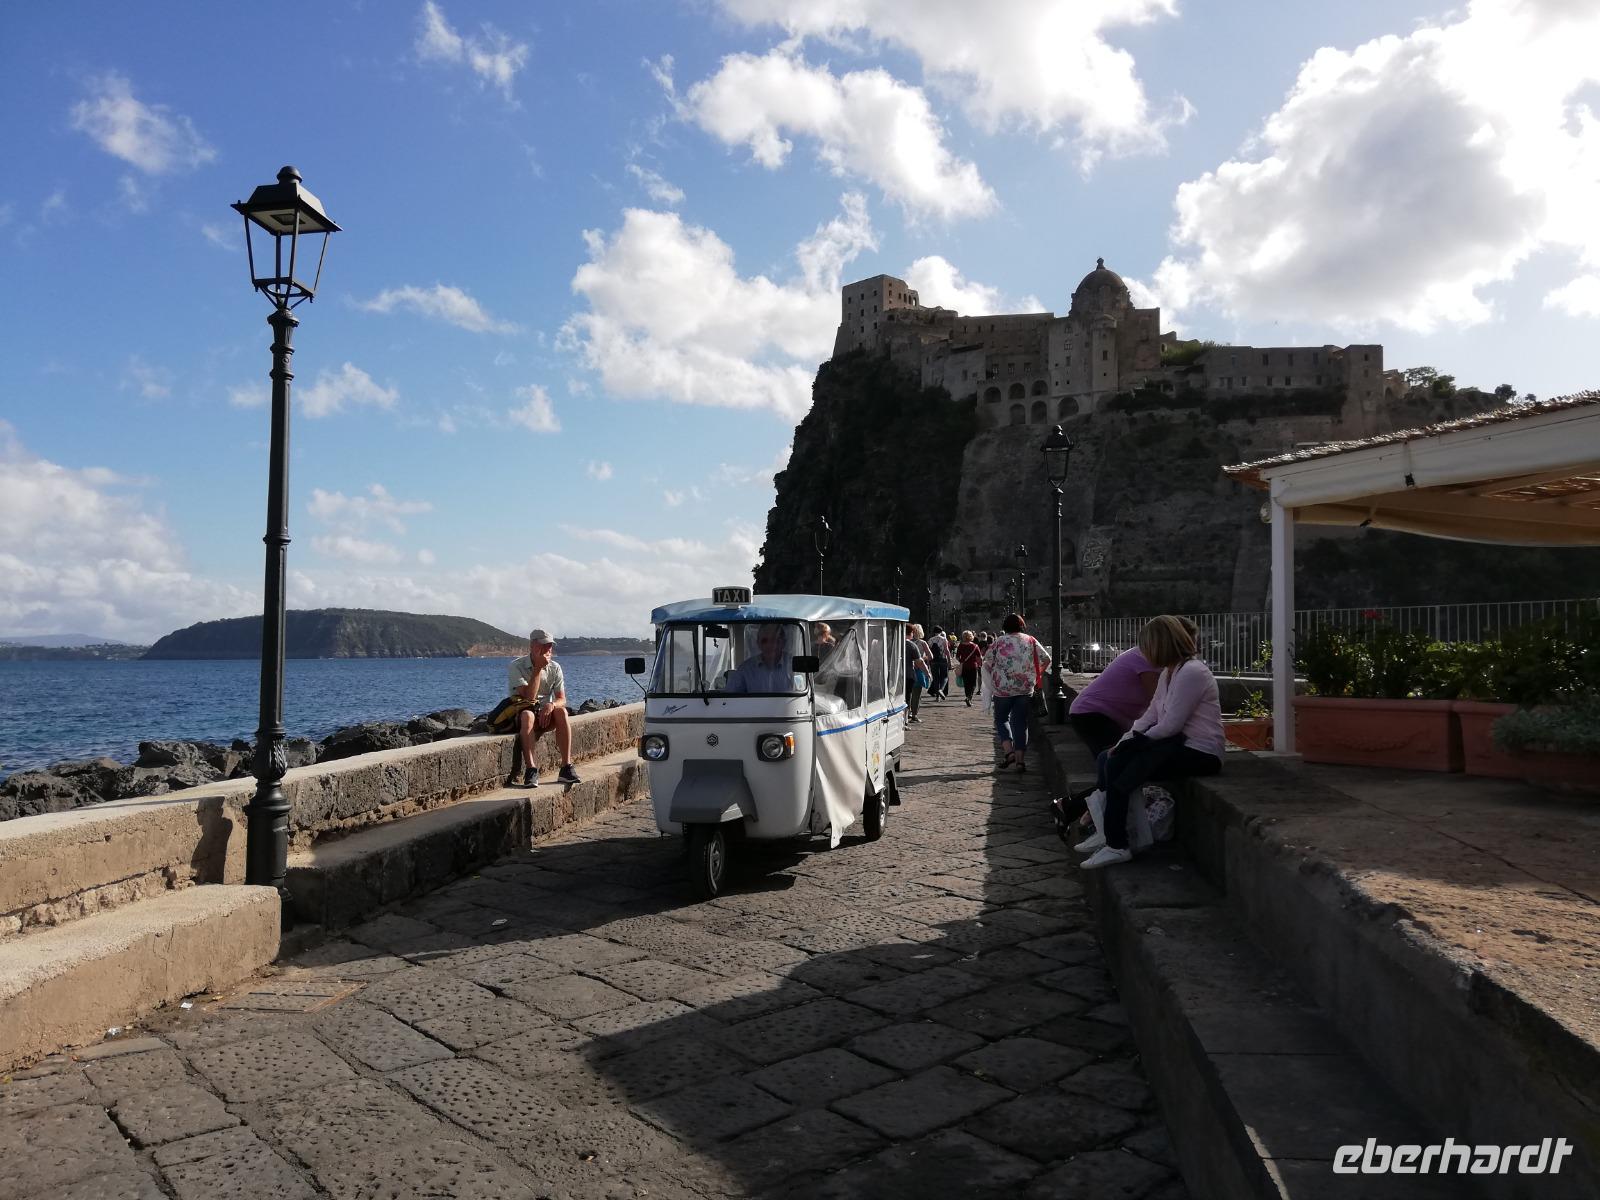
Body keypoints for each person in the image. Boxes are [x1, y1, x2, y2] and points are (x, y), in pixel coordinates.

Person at [1078, 615, 1224, 870]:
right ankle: (1107, 831)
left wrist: (1129, 745)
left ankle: (1117, 844)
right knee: (1107, 757)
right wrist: (1124, 740)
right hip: (1178, 744)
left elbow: (1171, 725)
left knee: (1119, 766)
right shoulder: (1171, 673)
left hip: (1200, 752)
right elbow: (1151, 715)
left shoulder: (1191, 672)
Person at [507, 629, 579, 788]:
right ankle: (531, 770)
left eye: (550, 645)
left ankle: (566, 767)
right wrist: (538, 669)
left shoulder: (555, 667)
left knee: (562, 711)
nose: (548, 649)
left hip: (545, 714)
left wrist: (551, 705)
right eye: (544, 645)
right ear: (533, 646)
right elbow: (529, 698)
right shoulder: (516, 666)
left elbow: (562, 699)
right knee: (528, 715)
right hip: (523, 711)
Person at [983, 613, 1051, 771]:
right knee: (1020, 723)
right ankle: (1020, 761)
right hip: (1025, 687)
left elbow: (987, 660)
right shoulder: (1030, 640)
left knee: (1001, 719)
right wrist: (1036, 674)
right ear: (1022, 625)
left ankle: (1009, 753)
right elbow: (1047, 659)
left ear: (1005, 626)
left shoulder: (999, 641)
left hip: (1003, 689)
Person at [726, 624, 802, 693]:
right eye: (764, 641)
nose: (770, 645)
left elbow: (802, 697)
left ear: (783, 642)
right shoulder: (746, 669)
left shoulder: (795, 664)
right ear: (758, 643)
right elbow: (730, 697)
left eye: (775, 640)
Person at [905, 623, 930, 723]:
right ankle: (911, 715)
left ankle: (907, 716)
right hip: (912, 673)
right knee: (914, 695)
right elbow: (922, 660)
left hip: (899, 675)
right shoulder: (913, 645)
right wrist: (927, 672)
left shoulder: (896, 642)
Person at [955, 630, 983, 706]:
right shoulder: (975, 646)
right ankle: (969, 698)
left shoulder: (961, 645)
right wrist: (980, 664)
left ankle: (967, 696)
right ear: (971, 637)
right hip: (973, 666)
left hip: (964, 667)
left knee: (966, 684)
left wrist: (961, 661)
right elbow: (980, 657)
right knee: (973, 683)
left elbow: (957, 657)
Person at [927, 627, 951, 700]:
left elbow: (928, 652)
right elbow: (947, 650)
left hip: (933, 660)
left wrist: (928, 663)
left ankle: (937, 696)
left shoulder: (930, 640)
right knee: (944, 676)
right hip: (943, 659)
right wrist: (949, 661)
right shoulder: (944, 639)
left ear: (934, 632)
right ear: (941, 631)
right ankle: (941, 689)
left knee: (936, 678)